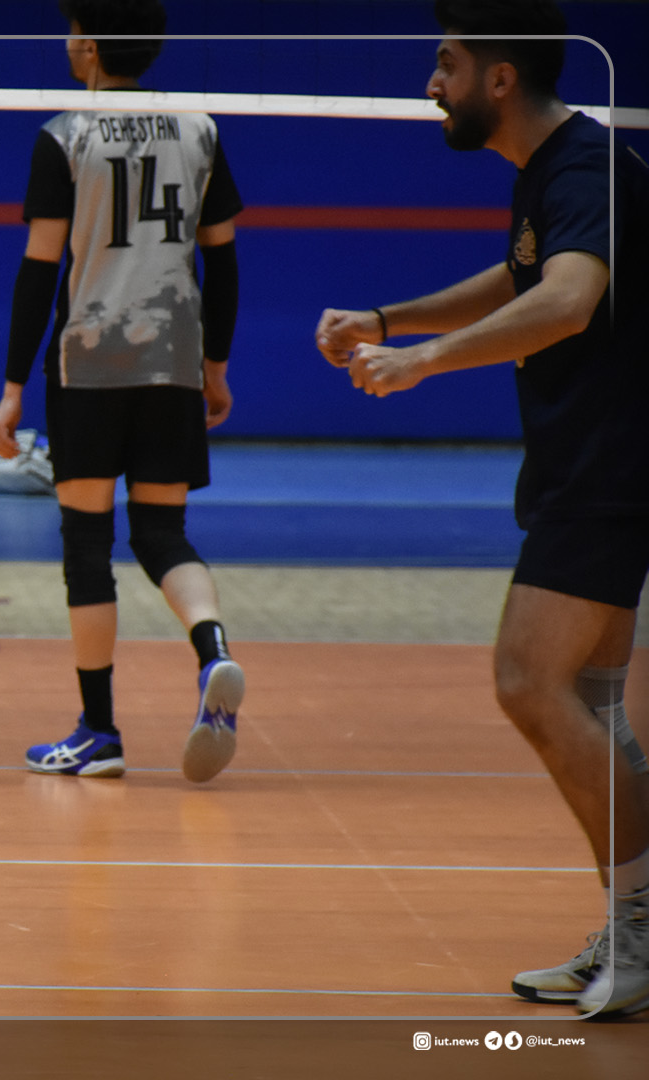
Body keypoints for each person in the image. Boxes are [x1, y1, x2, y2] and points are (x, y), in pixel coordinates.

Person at [315, 0, 647, 1018]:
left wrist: (421, 360)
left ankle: (644, 928)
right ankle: (632, 922)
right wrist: (388, 318)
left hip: (612, 470)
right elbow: (521, 276)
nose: (432, 84)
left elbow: (567, 300)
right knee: (592, 705)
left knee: (526, 681)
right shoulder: (554, 171)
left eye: (447, 64)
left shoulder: (584, 169)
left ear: (499, 78)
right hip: (589, 464)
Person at [0, 0, 245, 784]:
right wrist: (216, 365)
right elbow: (225, 263)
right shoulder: (199, 129)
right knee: (163, 534)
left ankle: (99, 731)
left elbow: (39, 271)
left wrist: (11, 388)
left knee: (86, 543)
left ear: (90, 46)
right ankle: (213, 650)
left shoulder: (65, 135)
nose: (67, 44)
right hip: (172, 360)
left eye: (72, 32)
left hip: (91, 362)